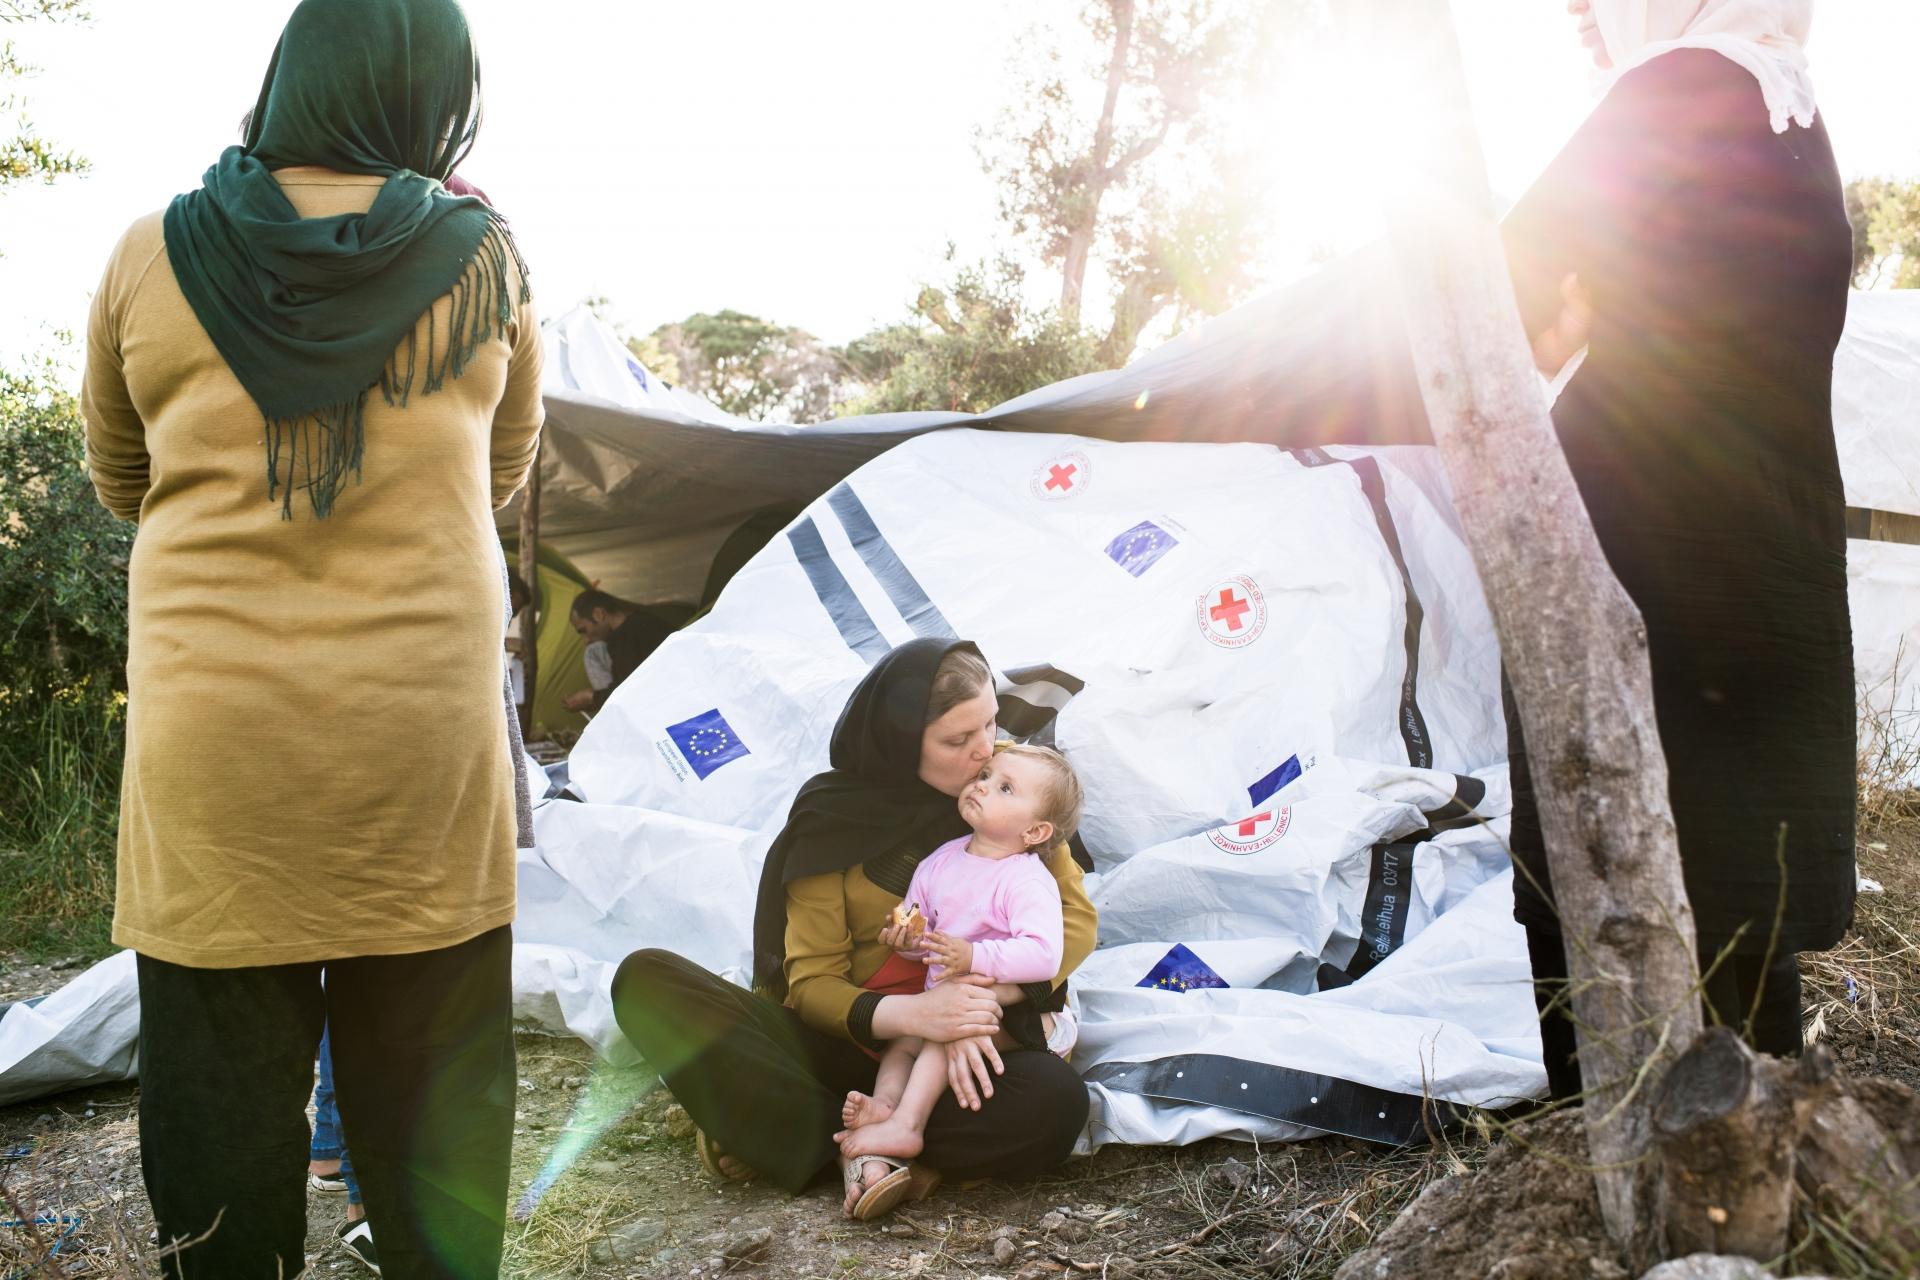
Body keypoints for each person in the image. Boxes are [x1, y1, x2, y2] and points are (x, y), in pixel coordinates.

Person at [80, 0, 542, 1274]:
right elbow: (500, 473)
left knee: (218, 1097)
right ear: (430, 95)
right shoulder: (484, 260)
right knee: (433, 1090)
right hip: (419, 736)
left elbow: (124, 476)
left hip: (215, 736)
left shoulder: (146, 252)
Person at [1500, 0, 1853, 1096]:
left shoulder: (1675, 87)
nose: (1574, 11)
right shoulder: (1798, 122)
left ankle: (1606, 1154)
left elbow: (1511, 302)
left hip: (1652, 538)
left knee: (1599, 851)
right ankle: (1755, 1155)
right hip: (1773, 534)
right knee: (1748, 875)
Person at [610, 639, 1096, 1221]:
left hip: (964, 1045)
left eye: (990, 723)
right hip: (851, 1043)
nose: (984, 751)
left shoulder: (1011, 787)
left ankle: (803, 1135)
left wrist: (974, 1003)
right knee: (647, 980)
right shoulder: (832, 821)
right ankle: (880, 1153)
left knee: (1056, 1103)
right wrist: (919, 1016)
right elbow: (812, 983)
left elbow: (1072, 925)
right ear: (897, 740)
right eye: (956, 740)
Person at [836, 744, 1083, 1164]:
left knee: (938, 1039)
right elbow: (925, 935)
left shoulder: (1024, 879)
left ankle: (908, 1127)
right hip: (946, 1005)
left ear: (1034, 832)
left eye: (1005, 788)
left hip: (1015, 1013)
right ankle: (886, 1106)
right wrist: (910, 943)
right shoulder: (939, 861)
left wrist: (972, 957)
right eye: (986, 775)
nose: (983, 787)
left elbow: (1043, 956)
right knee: (902, 1044)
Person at [562, 588, 675, 712]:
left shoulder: (627, 636)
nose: (586, 640)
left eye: (584, 630)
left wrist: (591, 697)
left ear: (598, 614)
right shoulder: (636, 623)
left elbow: (630, 694)